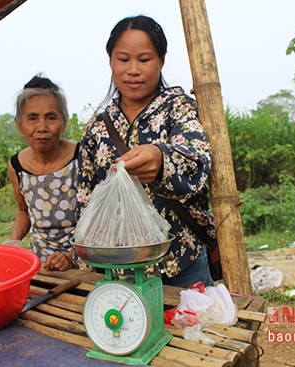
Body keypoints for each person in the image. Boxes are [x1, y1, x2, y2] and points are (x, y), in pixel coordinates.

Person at [77, 15, 217, 287]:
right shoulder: (97, 128)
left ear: (161, 60)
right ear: (110, 61)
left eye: (144, 59)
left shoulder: (178, 109)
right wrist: (85, 259)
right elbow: (86, 198)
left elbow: (197, 158)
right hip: (117, 269)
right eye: (123, 59)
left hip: (180, 265)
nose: (133, 70)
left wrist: (161, 159)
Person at [8, 74, 79, 272]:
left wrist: (70, 257)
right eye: (32, 118)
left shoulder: (80, 157)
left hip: (83, 263)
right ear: (19, 124)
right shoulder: (17, 165)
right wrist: (13, 242)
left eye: (51, 117)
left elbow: (99, 219)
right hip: (41, 265)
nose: (42, 127)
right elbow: (24, 211)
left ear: (64, 121)